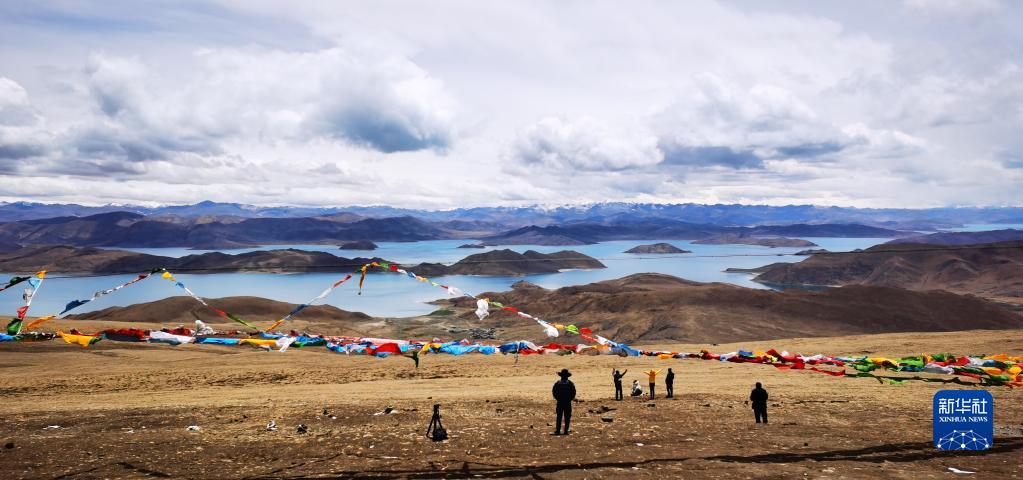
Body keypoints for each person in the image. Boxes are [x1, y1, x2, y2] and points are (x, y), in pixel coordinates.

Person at [552, 368, 576, 435]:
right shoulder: (570, 383)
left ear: (561, 376)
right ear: (567, 376)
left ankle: (558, 430)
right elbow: (573, 392)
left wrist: (558, 399)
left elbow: (554, 392)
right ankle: (566, 430)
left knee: (559, 416)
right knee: (567, 416)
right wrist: (570, 399)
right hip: (567, 402)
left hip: (560, 402)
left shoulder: (557, 383)